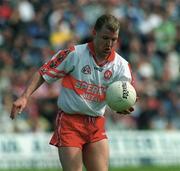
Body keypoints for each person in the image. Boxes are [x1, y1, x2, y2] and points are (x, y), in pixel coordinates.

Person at [10, 14, 135, 171]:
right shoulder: (73, 54)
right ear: (94, 33)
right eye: (105, 38)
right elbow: (43, 72)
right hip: (70, 123)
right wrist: (24, 96)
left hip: (96, 123)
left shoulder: (122, 66)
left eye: (113, 39)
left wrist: (126, 106)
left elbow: (129, 94)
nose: (109, 44)